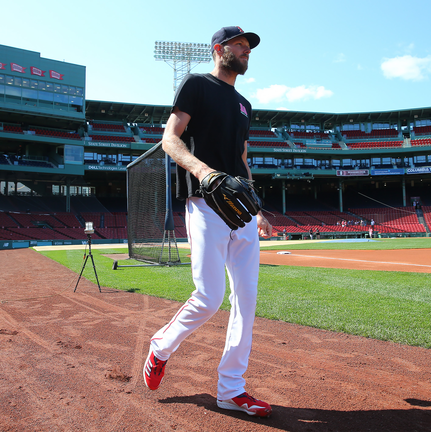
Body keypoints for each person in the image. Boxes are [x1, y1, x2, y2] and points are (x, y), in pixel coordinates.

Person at [143, 26, 273, 418]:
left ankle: (231, 389)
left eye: (249, 47)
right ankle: (160, 348)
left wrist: (258, 207)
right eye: (240, 45)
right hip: (205, 204)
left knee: (246, 303)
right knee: (208, 297)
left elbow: (243, 158)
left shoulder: (245, 104)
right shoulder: (196, 85)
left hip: (242, 211)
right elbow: (170, 139)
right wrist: (203, 171)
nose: (246, 50)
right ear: (219, 49)